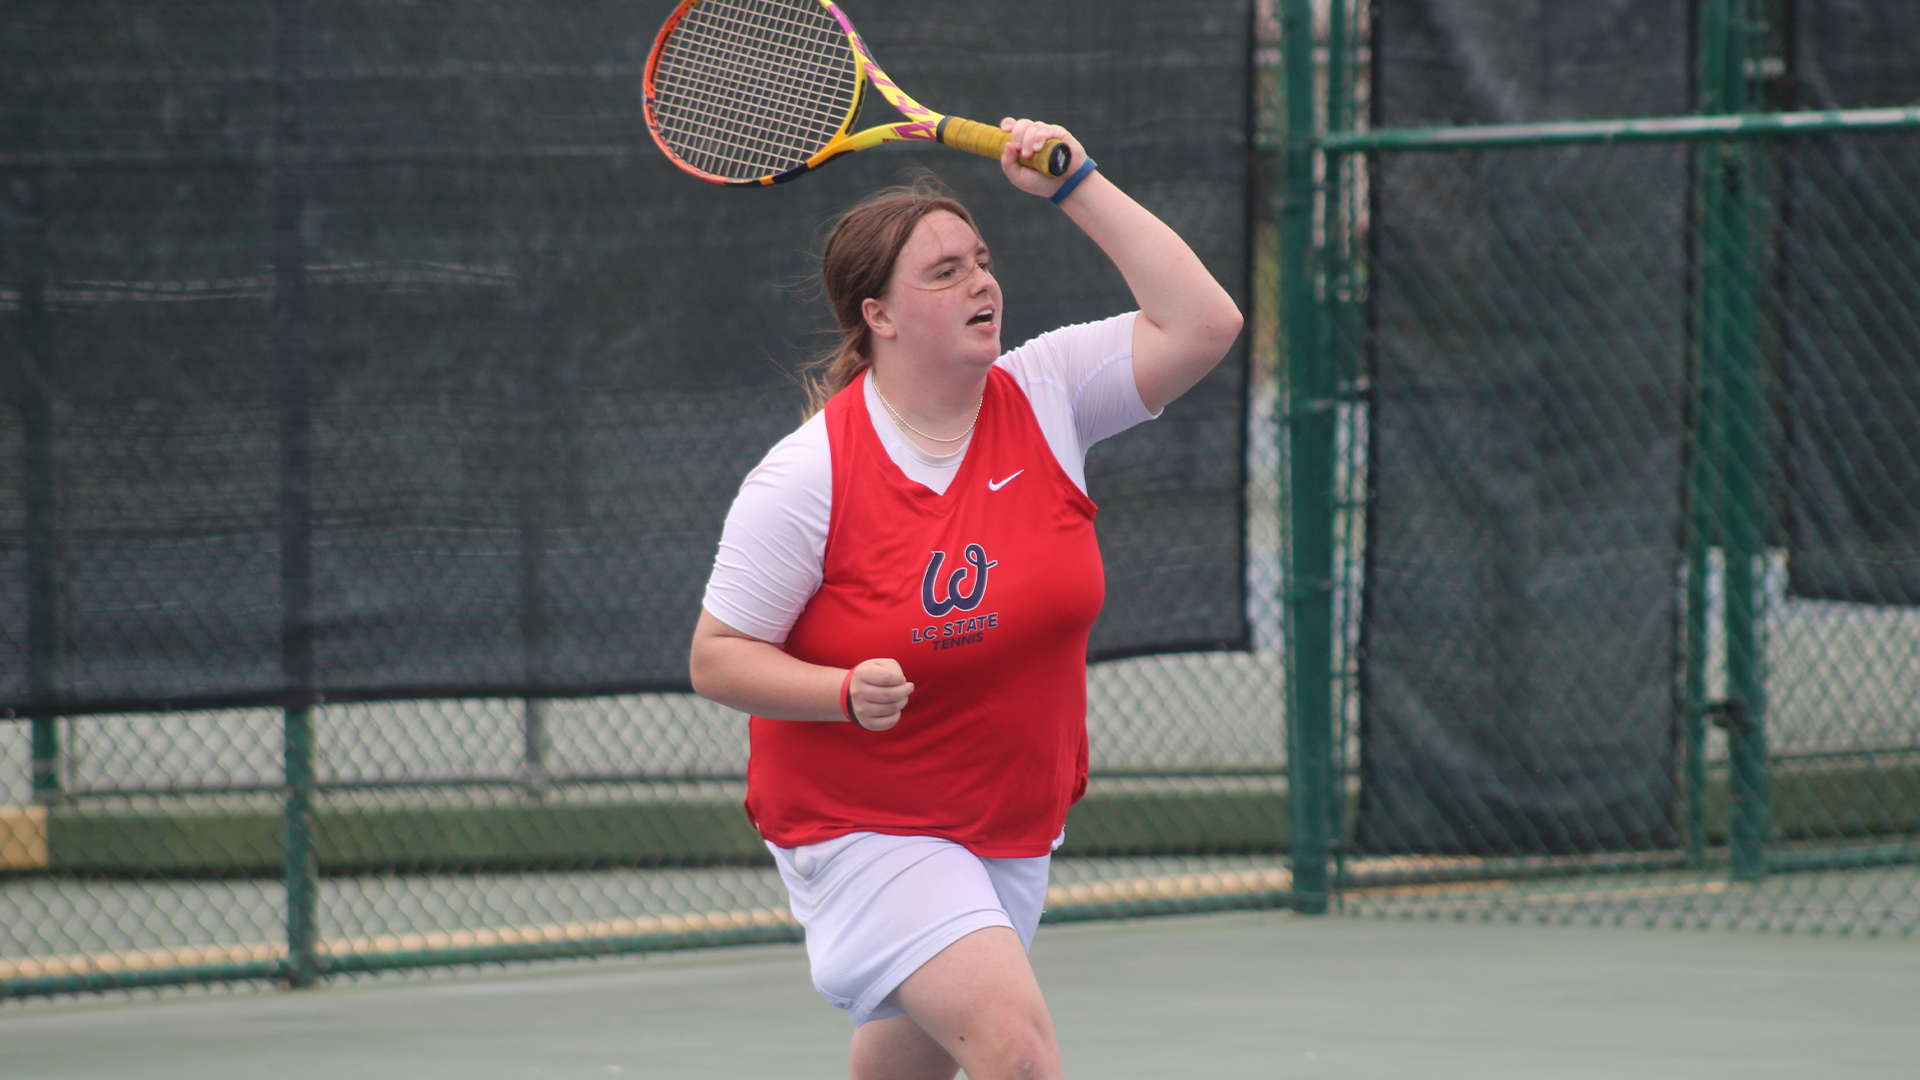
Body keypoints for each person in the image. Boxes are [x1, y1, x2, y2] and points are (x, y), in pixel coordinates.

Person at [688, 118, 1242, 1080]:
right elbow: (717, 656)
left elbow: (1205, 324)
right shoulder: (808, 475)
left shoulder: (1049, 391)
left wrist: (1075, 183)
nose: (981, 283)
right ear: (880, 315)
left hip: (1009, 816)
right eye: (944, 273)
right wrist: (838, 691)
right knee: (1015, 1050)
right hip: (861, 822)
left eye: (981, 261)